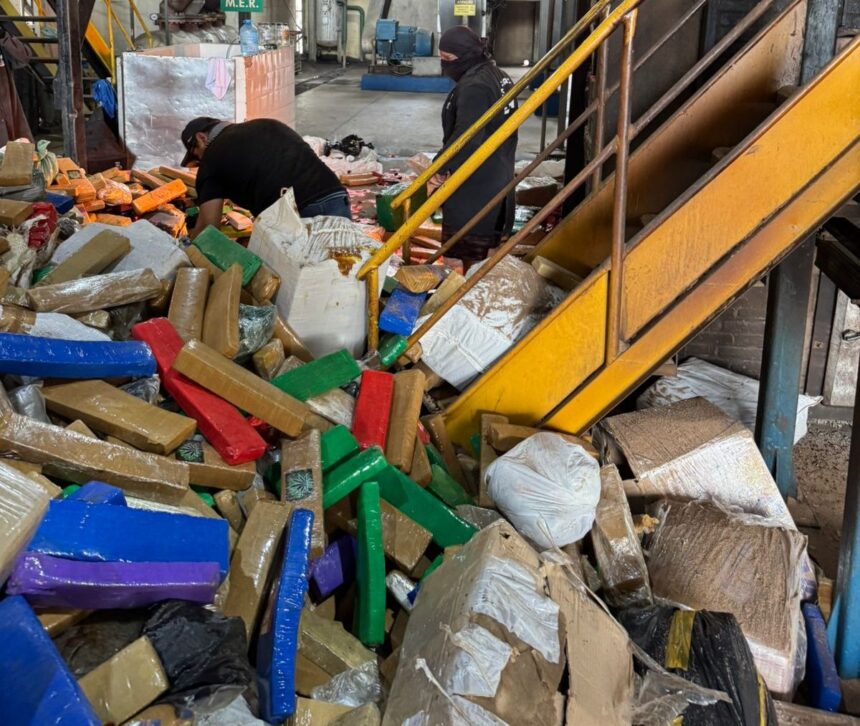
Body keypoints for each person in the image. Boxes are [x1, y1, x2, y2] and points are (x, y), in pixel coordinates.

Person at [180, 117, 351, 239]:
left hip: (300, 214)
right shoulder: (265, 123)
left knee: (305, 283)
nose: (199, 162)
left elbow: (209, 230)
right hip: (336, 197)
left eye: (197, 157)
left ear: (201, 138)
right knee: (344, 273)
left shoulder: (211, 158)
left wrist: (184, 244)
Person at [434, 26, 517, 271]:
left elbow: (467, 138)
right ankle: (478, 300)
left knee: (456, 260)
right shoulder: (497, 74)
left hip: (474, 187)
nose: (444, 65)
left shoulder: (475, 87)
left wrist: (438, 167)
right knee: (487, 254)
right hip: (498, 177)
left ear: (466, 55)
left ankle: (456, 304)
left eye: (447, 59)